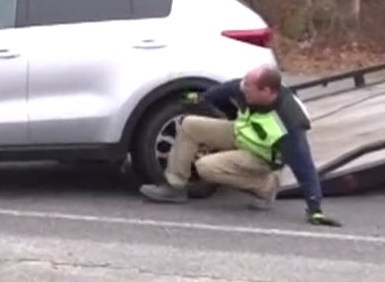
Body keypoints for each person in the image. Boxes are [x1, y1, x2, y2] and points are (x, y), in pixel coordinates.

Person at [140, 64, 340, 226]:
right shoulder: (248, 89)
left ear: (266, 91)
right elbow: (223, 90)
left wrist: (315, 209)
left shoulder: (289, 123)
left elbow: (304, 166)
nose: (243, 90)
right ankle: (175, 187)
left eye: (248, 89)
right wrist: (200, 98)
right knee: (190, 124)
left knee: (206, 167)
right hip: (243, 134)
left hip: (263, 158)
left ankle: (267, 186)